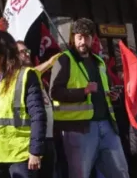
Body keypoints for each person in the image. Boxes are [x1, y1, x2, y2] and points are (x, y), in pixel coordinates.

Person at [50, 18, 129, 178]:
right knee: (80, 174)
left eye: (86, 37)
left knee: (120, 172)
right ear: (73, 38)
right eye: (79, 37)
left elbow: (107, 88)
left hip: (107, 125)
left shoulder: (99, 61)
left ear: (93, 39)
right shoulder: (65, 59)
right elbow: (55, 92)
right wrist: (83, 92)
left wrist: (113, 96)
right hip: (79, 129)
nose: (82, 41)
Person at [0, 31, 46, 178]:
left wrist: (35, 151)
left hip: (19, 156)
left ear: (5, 50)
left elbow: (38, 115)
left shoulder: (26, 75)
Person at [17, 40, 56, 178]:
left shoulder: (34, 74)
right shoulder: (20, 76)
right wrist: (51, 61)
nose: (27, 54)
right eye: (22, 52)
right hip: (31, 142)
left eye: (27, 51)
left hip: (48, 138)